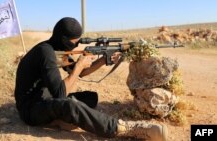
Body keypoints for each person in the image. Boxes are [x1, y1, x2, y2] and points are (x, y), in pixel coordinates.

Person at [14, 17, 168, 141]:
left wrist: (102, 60)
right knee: (69, 104)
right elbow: (60, 93)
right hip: (30, 109)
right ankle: (121, 128)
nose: (74, 47)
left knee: (90, 98)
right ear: (64, 39)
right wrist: (79, 65)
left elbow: (80, 72)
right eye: (74, 43)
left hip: (44, 98)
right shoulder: (45, 53)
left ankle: (57, 120)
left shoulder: (54, 50)